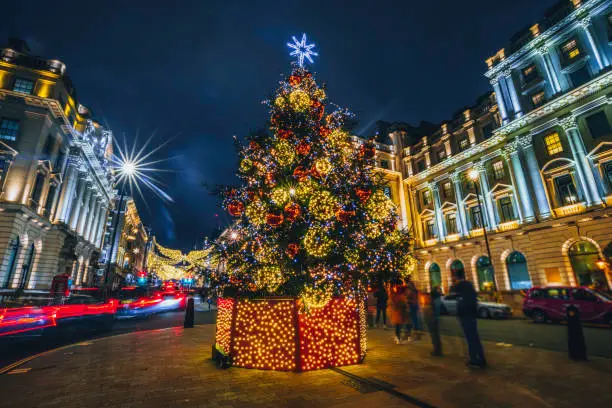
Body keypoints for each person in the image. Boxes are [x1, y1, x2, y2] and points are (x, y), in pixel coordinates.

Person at [454, 270, 487, 368]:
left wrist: (460, 313)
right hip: (471, 315)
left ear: (457, 278)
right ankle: (481, 358)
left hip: (466, 316)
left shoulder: (461, 287)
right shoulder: (469, 286)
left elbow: (461, 302)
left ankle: (474, 360)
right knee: (475, 338)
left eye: (454, 278)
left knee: (470, 339)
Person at [387, 279, 411, 344]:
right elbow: (402, 304)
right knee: (400, 325)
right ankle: (399, 337)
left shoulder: (395, 295)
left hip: (398, 313)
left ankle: (398, 337)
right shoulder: (400, 296)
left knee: (399, 325)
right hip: (399, 313)